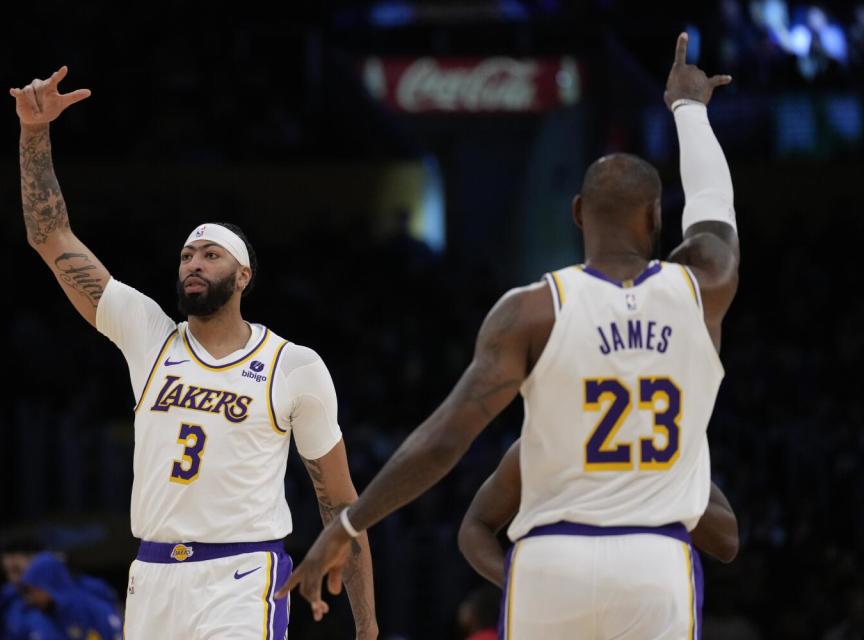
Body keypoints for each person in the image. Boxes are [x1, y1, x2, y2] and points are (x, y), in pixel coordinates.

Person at [279, 32, 738, 640]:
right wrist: (690, 109)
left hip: (551, 564)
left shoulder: (531, 310)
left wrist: (348, 524)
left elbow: (446, 438)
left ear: (576, 213)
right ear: (656, 219)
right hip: (654, 563)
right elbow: (712, 205)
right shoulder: (703, 287)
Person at [9, 67, 377, 639]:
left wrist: (369, 628)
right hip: (151, 575)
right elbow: (50, 237)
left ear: (243, 274)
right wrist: (35, 132)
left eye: (209, 255)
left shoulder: (294, 365)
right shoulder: (149, 334)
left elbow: (339, 504)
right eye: (186, 256)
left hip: (242, 572)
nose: (194, 264)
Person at [456, 439, 739, 593]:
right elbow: (474, 526)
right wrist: (514, 581)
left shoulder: (671, 443)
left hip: (644, 595)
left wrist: (653, 481)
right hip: (562, 598)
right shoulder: (542, 442)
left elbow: (726, 541)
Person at [0, 537, 117, 640]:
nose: (13, 579)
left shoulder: (91, 593)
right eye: (8, 572)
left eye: (17, 570)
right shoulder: (9, 601)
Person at [16, 553, 121, 640]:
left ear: (48, 586)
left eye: (35, 590)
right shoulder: (35, 616)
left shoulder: (92, 610)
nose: (31, 597)